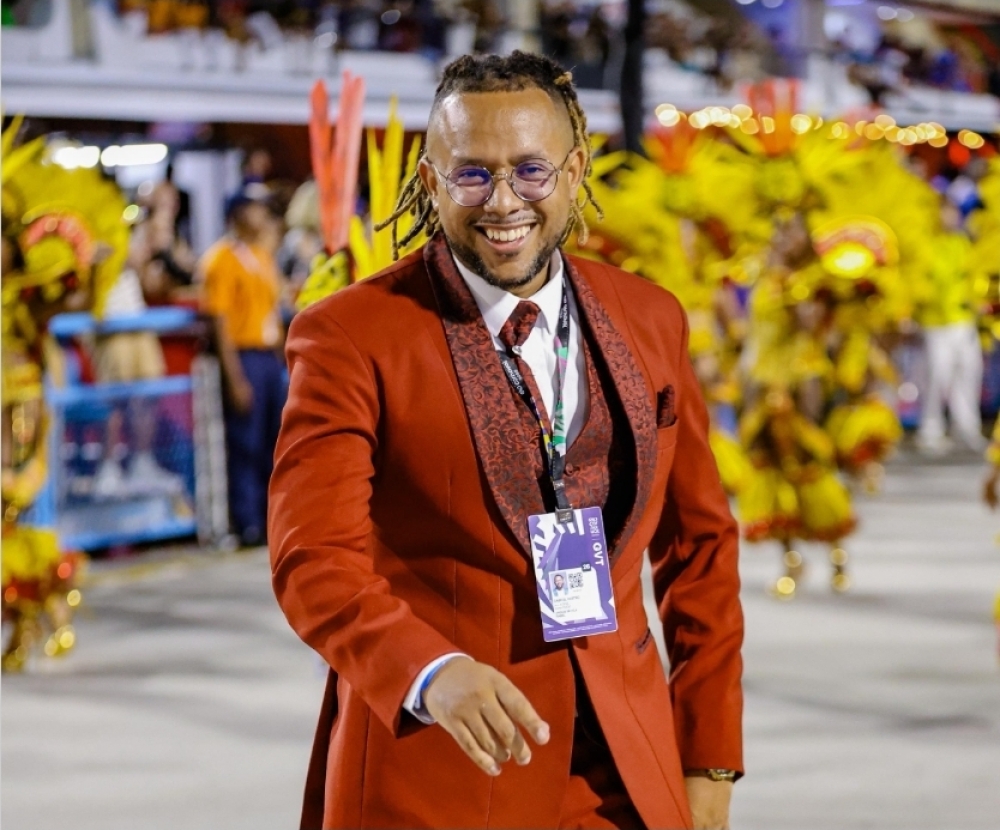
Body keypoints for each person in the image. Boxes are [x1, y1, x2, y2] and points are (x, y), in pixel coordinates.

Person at [270, 52, 743, 830]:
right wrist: (428, 670)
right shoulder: (348, 335)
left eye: (530, 171)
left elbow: (700, 549)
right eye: (472, 175)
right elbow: (312, 559)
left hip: (627, 772)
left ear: (573, 169)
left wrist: (709, 758)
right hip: (439, 772)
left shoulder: (650, 316)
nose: (503, 202)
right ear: (430, 181)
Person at [197, 187, 286, 547]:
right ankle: (247, 521)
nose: (261, 216)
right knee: (245, 442)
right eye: (253, 209)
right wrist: (233, 377)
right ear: (235, 215)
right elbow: (219, 321)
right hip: (244, 356)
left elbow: (272, 314)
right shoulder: (221, 259)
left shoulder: (263, 256)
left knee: (272, 442)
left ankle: (270, 520)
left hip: (267, 358)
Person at [917, 200, 984, 454]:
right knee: (937, 375)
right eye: (945, 212)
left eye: (953, 213)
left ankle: (966, 428)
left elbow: (973, 276)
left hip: (963, 320)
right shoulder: (926, 244)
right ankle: (930, 430)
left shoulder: (963, 244)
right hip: (935, 321)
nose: (950, 218)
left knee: (969, 372)